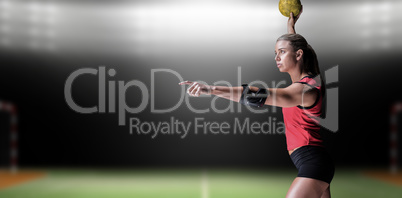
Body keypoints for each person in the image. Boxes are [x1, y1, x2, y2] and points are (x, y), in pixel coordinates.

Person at [179, 7, 334, 198]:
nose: (276, 57)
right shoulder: (307, 81)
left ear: (299, 54)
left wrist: (210, 89)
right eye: (275, 52)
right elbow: (299, 52)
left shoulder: (305, 91)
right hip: (312, 162)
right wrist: (291, 29)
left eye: (282, 52)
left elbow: (256, 96)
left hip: (314, 164)